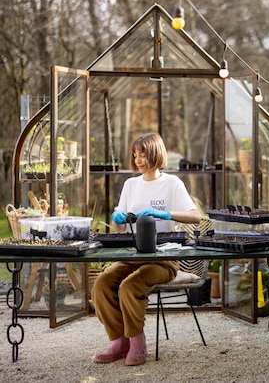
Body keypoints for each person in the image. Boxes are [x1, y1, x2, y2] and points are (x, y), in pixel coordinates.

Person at [91, 132, 201, 366]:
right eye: (135, 155)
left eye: (143, 155)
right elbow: (120, 230)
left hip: (164, 259)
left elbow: (196, 217)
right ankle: (119, 341)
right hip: (134, 255)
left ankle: (137, 341)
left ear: (155, 154)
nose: (138, 160)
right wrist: (118, 217)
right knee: (101, 284)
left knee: (129, 286)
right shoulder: (131, 185)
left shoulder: (172, 183)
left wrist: (166, 214)